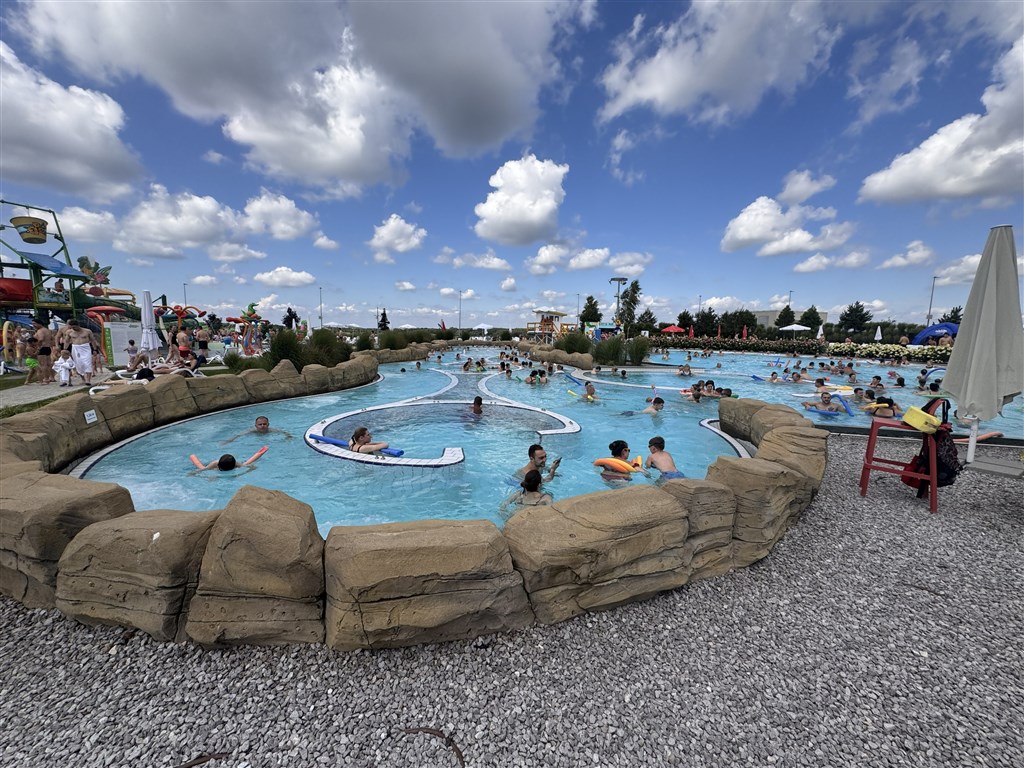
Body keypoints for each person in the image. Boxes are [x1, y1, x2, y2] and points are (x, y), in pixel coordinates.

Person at [64, 319, 98, 385]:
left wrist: (95, 349)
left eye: (75, 327)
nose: (74, 329)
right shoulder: (69, 332)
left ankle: (88, 380)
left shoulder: (87, 331)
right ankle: (83, 379)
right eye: (72, 327)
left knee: (87, 363)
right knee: (78, 364)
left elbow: (93, 340)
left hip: (85, 347)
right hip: (75, 348)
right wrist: (65, 349)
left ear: (78, 325)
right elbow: (66, 341)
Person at [222, 416, 292, 445]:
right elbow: (239, 435)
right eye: (260, 424)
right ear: (256, 426)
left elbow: (285, 432)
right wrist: (229, 441)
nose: (262, 426)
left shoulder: (272, 430)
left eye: (264, 424)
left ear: (268, 424)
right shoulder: (252, 431)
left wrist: (288, 438)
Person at [31, 318, 54, 384]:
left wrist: (37, 346)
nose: (33, 325)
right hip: (47, 348)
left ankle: (46, 379)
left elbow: (41, 339)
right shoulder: (47, 330)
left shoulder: (40, 331)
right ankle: (52, 377)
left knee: (43, 365)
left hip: (42, 348)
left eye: (34, 324)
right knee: (49, 364)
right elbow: (52, 338)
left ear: (39, 323)